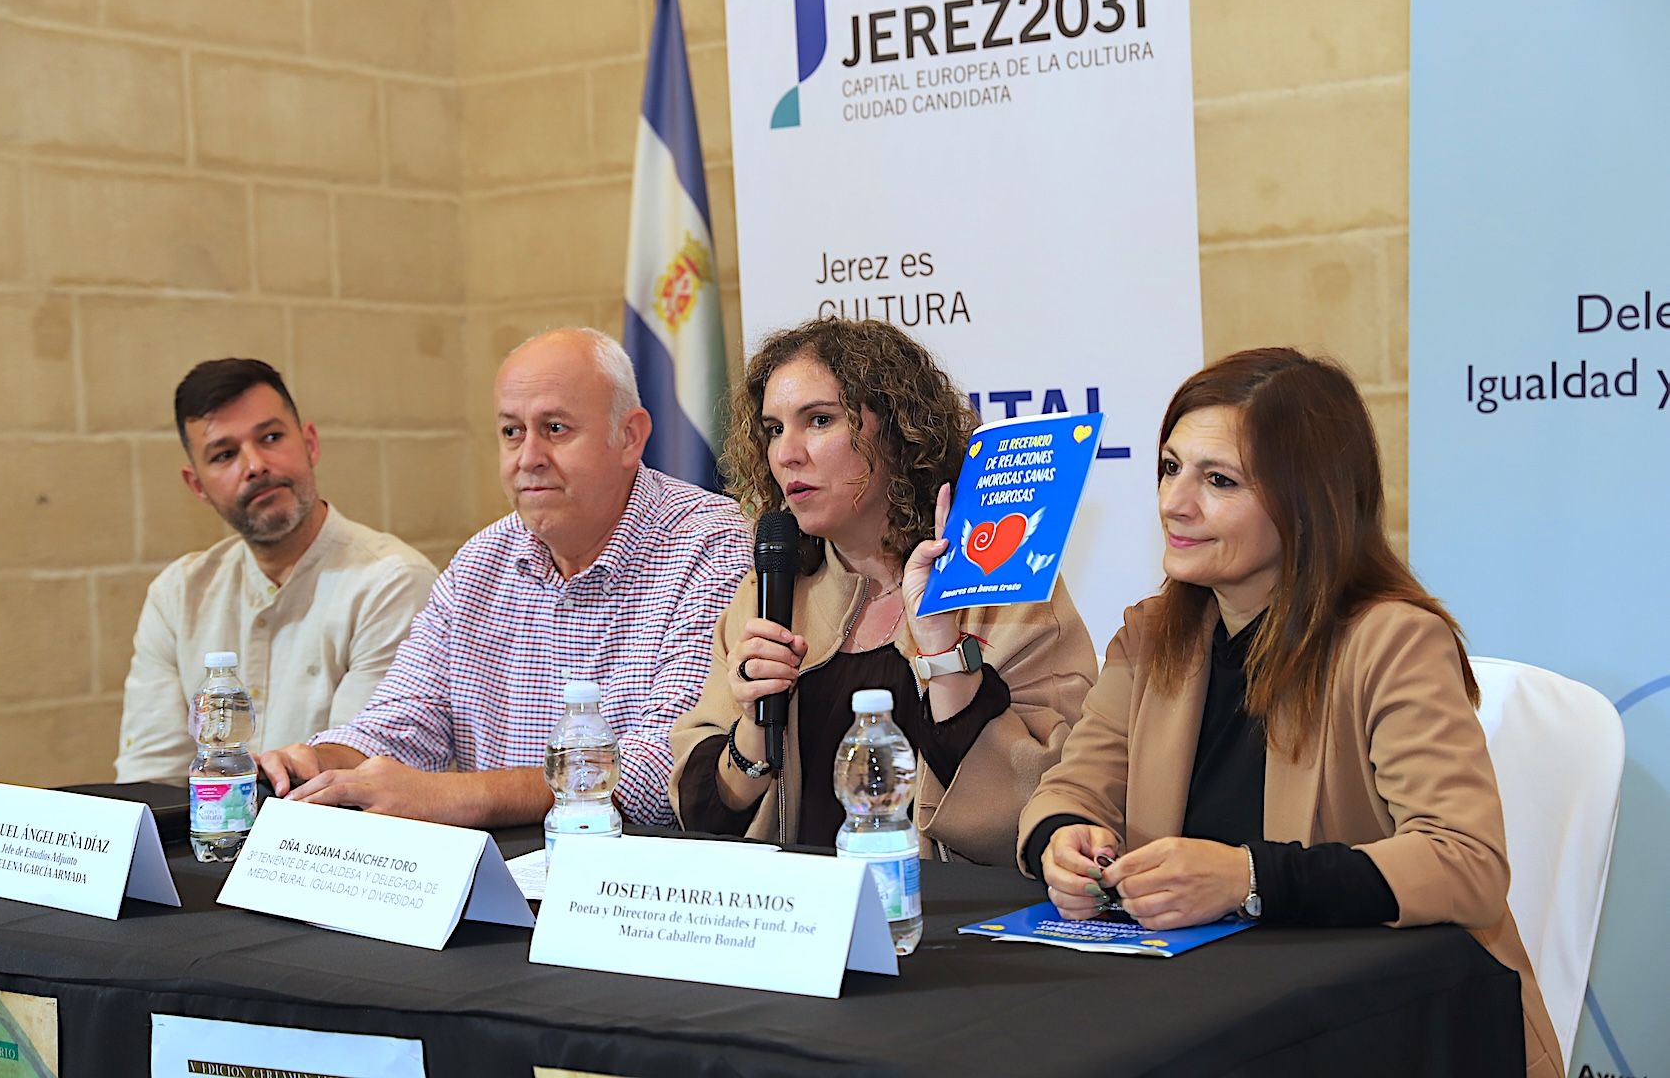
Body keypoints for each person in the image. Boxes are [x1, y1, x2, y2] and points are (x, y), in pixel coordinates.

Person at [1019, 348, 1560, 1076]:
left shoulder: (1393, 640)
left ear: (1307, 501)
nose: (1176, 502)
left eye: (1219, 481)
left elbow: (1466, 863)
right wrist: (1063, 840)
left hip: (1384, 1029)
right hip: (1207, 1015)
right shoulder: (1151, 635)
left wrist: (1246, 878)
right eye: (1170, 468)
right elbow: (1069, 791)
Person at [255, 328, 748, 829]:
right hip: (500, 882)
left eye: (555, 428)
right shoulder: (482, 559)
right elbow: (402, 723)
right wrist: (321, 766)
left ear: (629, 436)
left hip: (637, 889)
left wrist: (459, 797)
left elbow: (669, 771)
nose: (528, 457)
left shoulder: (711, 545)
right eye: (512, 432)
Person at [670, 318, 1097, 865]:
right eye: (774, 429)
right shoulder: (767, 595)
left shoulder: (1006, 592)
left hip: (939, 930)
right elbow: (702, 814)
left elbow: (1046, 807)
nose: (787, 454)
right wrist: (754, 733)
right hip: (791, 931)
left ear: (899, 432)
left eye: (819, 420)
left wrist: (945, 660)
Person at [115, 359, 436, 783]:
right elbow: (152, 778)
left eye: (270, 437)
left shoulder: (389, 582)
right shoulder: (178, 594)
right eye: (225, 454)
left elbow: (365, 770)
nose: (255, 465)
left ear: (310, 444)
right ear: (198, 486)